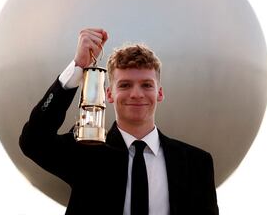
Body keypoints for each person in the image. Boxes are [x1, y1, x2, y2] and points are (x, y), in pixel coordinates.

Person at [19, 28, 219, 215]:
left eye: (146, 85)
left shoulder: (196, 164)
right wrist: (78, 67)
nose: (136, 94)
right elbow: (33, 141)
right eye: (125, 85)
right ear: (109, 94)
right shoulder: (86, 152)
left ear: (159, 92)